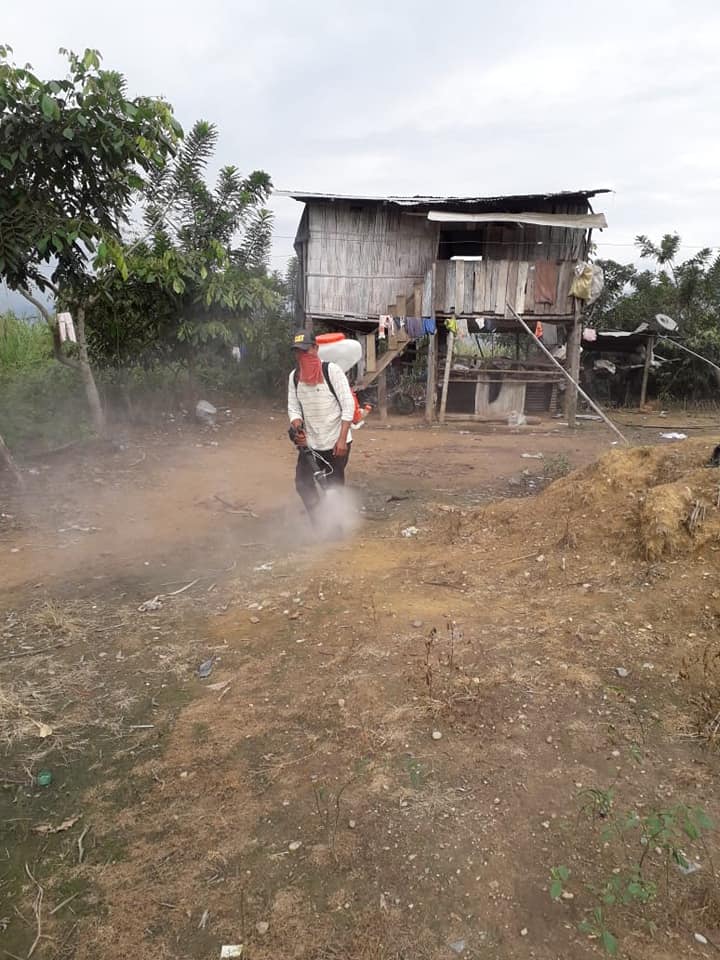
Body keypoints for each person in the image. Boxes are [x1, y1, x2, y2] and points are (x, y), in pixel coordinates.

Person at [287, 330, 355, 518]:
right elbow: (293, 408)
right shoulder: (294, 377)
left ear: (315, 349)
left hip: (336, 444)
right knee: (302, 484)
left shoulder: (331, 371)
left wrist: (342, 440)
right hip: (310, 444)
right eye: (298, 352)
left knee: (333, 487)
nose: (302, 355)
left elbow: (348, 405)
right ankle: (319, 520)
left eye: (305, 350)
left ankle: (336, 524)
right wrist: (298, 427)